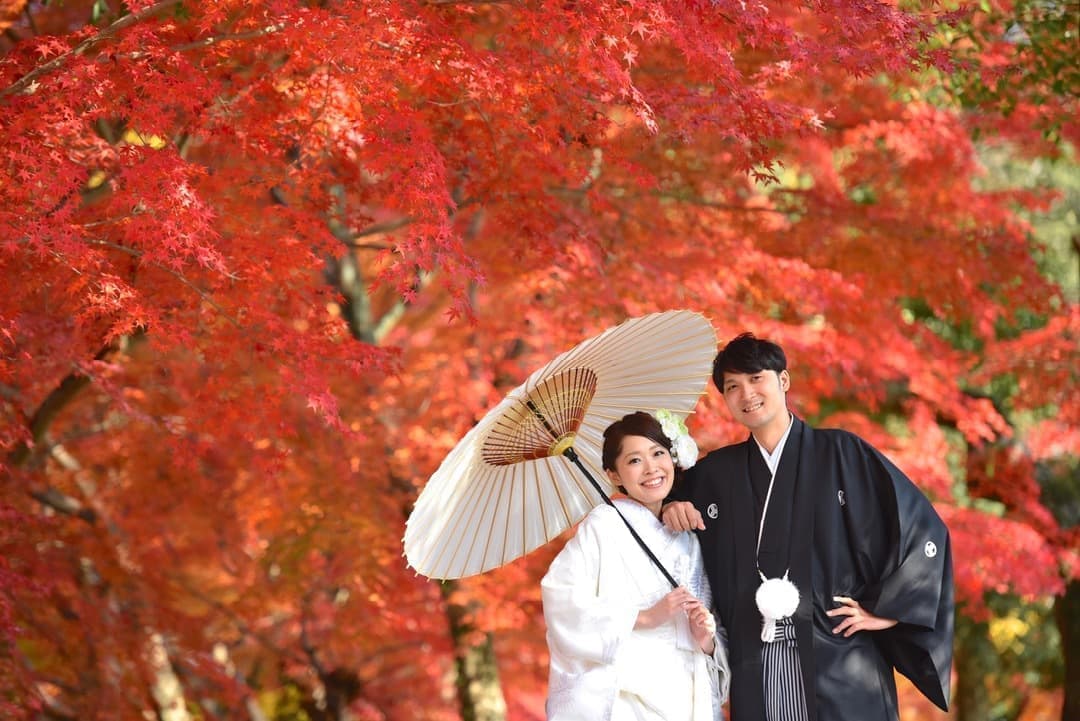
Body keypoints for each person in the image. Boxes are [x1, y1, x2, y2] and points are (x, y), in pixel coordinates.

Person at [662, 333, 954, 721]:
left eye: (756, 379)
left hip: (840, 658)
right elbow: (666, 525)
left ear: (783, 381)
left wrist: (888, 611)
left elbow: (922, 531)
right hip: (754, 661)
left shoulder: (842, 454)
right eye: (732, 386)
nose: (746, 393)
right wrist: (672, 506)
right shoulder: (716, 474)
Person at [542, 411, 730, 721]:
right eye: (634, 461)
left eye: (658, 453)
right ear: (613, 475)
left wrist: (705, 638)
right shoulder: (604, 525)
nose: (651, 468)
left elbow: (710, 622)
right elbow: (560, 596)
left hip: (686, 692)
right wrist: (643, 617)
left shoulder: (687, 537)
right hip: (627, 695)